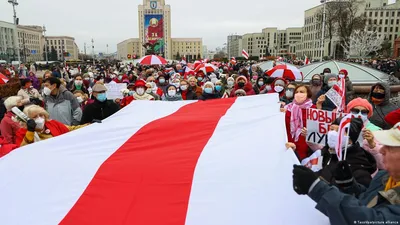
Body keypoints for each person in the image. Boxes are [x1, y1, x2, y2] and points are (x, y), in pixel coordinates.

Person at [292, 122, 400, 225]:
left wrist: (317, 189)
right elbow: (366, 199)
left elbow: (373, 220)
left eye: (390, 147)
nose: (381, 150)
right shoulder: (384, 177)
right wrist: (348, 184)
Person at [318, 118, 377, 188]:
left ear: (350, 140)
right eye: (331, 129)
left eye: (339, 131)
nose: (333, 133)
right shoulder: (326, 152)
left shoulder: (360, 170)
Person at [20, 105, 87, 146]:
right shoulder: (22, 132)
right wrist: (30, 132)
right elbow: (22, 151)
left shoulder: (53, 123)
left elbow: (71, 129)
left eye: (41, 115)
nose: (39, 118)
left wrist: (90, 125)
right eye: (35, 117)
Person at [284, 85, 315, 160]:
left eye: (302, 92)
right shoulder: (288, 108)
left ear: (308, 94)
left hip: (305, 144)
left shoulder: (313, 109)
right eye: (296, 92)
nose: (298, 94)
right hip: (288, 142)